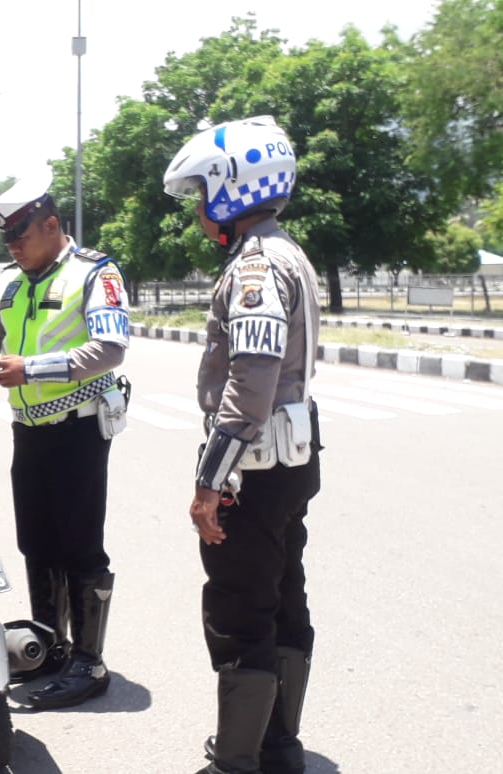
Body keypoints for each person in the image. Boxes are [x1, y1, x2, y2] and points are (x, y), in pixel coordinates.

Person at [0, 171, 130, 710]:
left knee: (81, 544)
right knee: (36, 542)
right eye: (8, 240)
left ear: (53, 225)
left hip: (80, 429)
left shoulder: (95, 274)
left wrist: (35, 368)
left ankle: (90, 662)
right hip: (29, 431)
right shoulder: (12, 281)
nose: (14, 247)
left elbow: (109, 349)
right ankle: (52, 646)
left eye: (23, 236)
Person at [163, 116, 322, 774]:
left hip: (252, 472)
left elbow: (251, 382)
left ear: (232, 191)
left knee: (240, 611)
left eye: (203, 192)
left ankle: (237, 761)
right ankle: (278, 745)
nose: (199, 208)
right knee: (284, 598)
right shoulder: (287, 251)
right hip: (290, 462)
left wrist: (210, 482)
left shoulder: (256, 267)